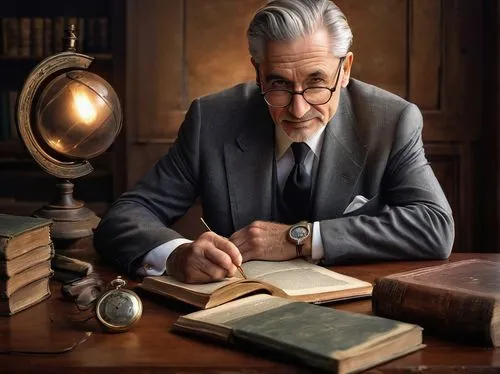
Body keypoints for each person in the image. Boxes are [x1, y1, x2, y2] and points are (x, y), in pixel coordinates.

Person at [94, 0, 454, 283]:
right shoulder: (212, 120)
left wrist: (299, 238)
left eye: (317, 82)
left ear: (345, 70)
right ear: (257, 71)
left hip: (358, 313)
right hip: (237, 315)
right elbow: (124, 218)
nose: (298, 110)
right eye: (279, 83)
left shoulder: (391, 120)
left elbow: (434, 227)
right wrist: (174, 255)